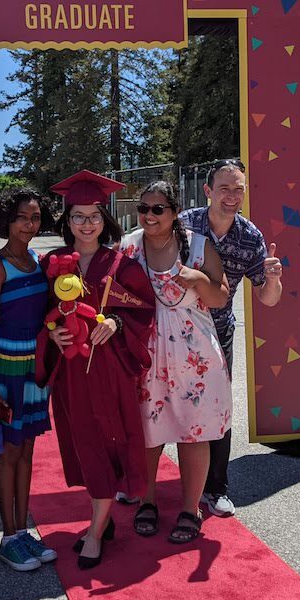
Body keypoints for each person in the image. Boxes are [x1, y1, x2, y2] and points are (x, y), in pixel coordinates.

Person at [36, 170, 155, 569]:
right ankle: (101, 521)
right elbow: (41, 315)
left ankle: (95, 531)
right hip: (71, 373)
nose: (86, 224)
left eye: (94, 216)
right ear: (66, 220)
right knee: (84, 442)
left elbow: (144, 308)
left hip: (109, 371)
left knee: (109, 441)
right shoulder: (51, 262)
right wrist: (51, 335)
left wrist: (116, 323)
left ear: (105, 219)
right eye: (78, 216)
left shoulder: (121, 263)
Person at [120, 181, 231, 543]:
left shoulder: (198, 246)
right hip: (147, 354)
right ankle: (146, 500)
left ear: (174, 212)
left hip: (194, 355)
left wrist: (198, 278)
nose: (149, 216)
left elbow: (220, 297)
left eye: (158, 209)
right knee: (148, 431)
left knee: (193, 430)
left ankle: (190, 508)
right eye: (144, 208)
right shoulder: (130, 246)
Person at [180, 159, 282, 517]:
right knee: (168, 404)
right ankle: (144, 486)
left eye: (238, 189)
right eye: (224, 188)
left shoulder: (250, 236)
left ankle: (216, 487)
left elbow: (268, 300)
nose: (232, 196)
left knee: (219, 410)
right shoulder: (184, 225)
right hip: (175, 332)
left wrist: (272, 279)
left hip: (218, 334)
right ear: (208, 191)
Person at [0, 189, 57, 572]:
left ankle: (23, 529)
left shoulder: (39, 261)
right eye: (23, 217)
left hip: (36, 366)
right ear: (7, 221)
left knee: (27, 450)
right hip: (7, 366)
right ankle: (8, 537)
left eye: (35, 217)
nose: (30, 224)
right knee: (10, 452)